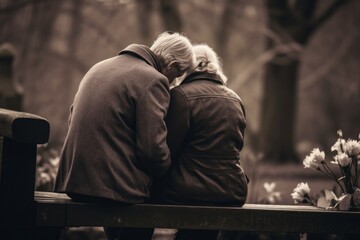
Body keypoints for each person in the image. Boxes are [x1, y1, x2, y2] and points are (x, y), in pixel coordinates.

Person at [54, 31, 196, 240]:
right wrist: (168, 170)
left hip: (75, 180)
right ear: (172, 65)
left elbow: (73, 118)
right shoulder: (153, 80)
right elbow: (152, 150)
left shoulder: (100, 66)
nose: (174, 83)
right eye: (178, 75)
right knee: (151, 202)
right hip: (109, 187)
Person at [151, 43, 248, 240]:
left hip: (187, 191)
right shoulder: (235, 99)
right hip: (231, 192)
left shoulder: (180, 96)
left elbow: (167, 149)